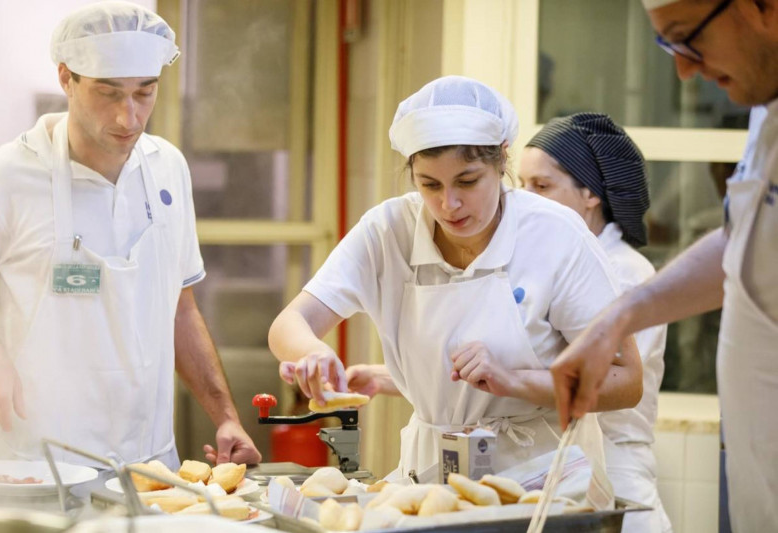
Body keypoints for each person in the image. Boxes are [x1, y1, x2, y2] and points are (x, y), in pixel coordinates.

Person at [0, 2, 260, 467]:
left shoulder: (167, 169)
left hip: (151, 470)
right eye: (108, 94)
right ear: (66, 78)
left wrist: (225, 416)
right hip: (36, 472)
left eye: (145, 93)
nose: (129, 118)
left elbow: (180, 309)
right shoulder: (4, 177)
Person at [268, 76, 643, 481]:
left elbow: (626, 382)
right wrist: (312, 352)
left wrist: (513, 380)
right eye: (430, 185)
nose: (449, 204)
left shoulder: (554, 235)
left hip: (539, 478)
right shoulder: (388, 229)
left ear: (502, 161)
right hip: (429, 472)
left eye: (467, 181)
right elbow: (289, 324)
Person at [549, 0, 778, 530]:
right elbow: (745, 238)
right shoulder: (766, 112)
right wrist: (616, 320)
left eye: (687, 37)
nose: (682, 69)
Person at [520, 112, 670, 532]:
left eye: (542, 186)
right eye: (521, 184)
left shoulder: (622, 271)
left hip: (616, 472)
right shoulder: (559, 262)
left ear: (590, 194)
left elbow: (588, 376)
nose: (526, 199)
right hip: (568, 468)